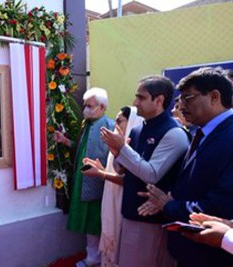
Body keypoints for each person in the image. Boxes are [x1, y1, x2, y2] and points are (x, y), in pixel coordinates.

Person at [138, 67, 233, 266]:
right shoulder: (203, 132)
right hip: (190, 249)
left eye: (188, 99)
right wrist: (171, 195)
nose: (181, 106)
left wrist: (169, 205)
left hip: (211, 255)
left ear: (214, 97)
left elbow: (220, 205)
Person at [100, 76, 189, 267]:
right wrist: (117, 152)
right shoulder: (138, 129)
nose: (135, 103)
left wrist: (122, 149)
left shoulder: (174, 133)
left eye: (141, 97)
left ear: (159, 101)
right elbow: (122, 169)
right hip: (130, 213)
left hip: (151, 221)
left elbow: (151, 174)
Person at [53, 87, 114, 267]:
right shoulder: (85, 125)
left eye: (90, 105)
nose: (86, 108)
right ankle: (93, 258)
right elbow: (80, 148)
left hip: (100, 183)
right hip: (83, 181)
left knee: (99, 221)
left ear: (102, 107)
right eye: (85, 105)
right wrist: (65, 141)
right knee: (88, 223)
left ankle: (104, 259)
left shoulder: (110, 126)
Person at [82, 106, 144, 267]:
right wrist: (101, 169)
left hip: (123, 202)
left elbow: (128, 181)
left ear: (132, 122)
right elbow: (115, 173)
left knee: (119, 243)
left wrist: (100, 174)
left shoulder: (132, 147)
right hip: (111, 197)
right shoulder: (119, 144)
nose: (115, 124)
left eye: (120, 120)